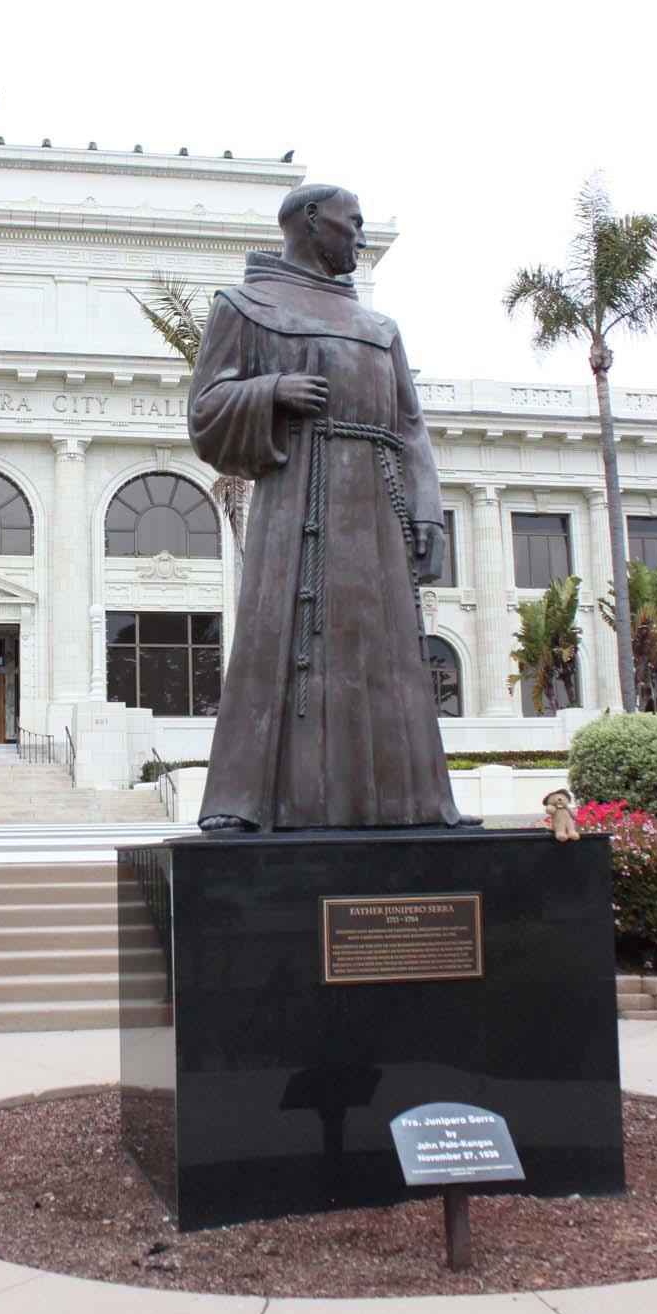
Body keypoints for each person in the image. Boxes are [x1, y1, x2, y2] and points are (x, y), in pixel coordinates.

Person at [189, 183, 464, 831]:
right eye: (353, 223)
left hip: (378, 506)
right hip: (297, 505)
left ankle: (405, 805)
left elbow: (410, 428)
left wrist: (426, 511)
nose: (361, 237)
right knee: (278, 641)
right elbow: (204, 413)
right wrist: (272, 390)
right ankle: (246, 803)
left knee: (389, 654)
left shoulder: (378, 329)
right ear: (311, 222)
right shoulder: (244, 307)